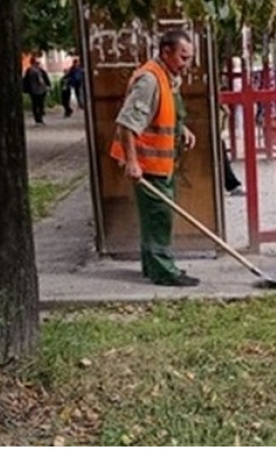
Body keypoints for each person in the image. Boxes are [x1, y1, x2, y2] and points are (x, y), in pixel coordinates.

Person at [109, 29, 199, 287]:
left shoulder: (168, 77)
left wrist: (182, 129)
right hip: (147, 164)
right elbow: (127, 123)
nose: (186, 64)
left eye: (189, 57)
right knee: (160, 216)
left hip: (161, 163)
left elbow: (162, 112)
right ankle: (164, 271)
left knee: (155, 216)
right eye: (183, 57)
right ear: (166, 52)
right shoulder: (149, 80)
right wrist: (133, 162)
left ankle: (152, 266)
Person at [22, 57, 51, 125]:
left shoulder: (29, 70)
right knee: (40, 104)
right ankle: (39, 118)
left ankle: (38, 119)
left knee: (35, 105)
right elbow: (42, 80)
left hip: (33, 90)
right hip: (39, 90)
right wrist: (47, 86)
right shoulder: (38, 70)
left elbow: (25, 80)